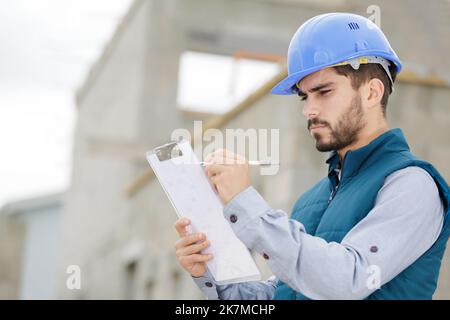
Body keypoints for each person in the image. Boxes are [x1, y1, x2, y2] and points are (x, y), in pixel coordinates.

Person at [173, 12, 450, 299]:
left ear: (372, 93)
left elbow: (349, 279)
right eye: (305, 97)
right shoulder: (313, 198)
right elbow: (285, 294)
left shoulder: (412, 185)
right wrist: (212, 274)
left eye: (324, 92)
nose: (309, 111)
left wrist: (246, 204)